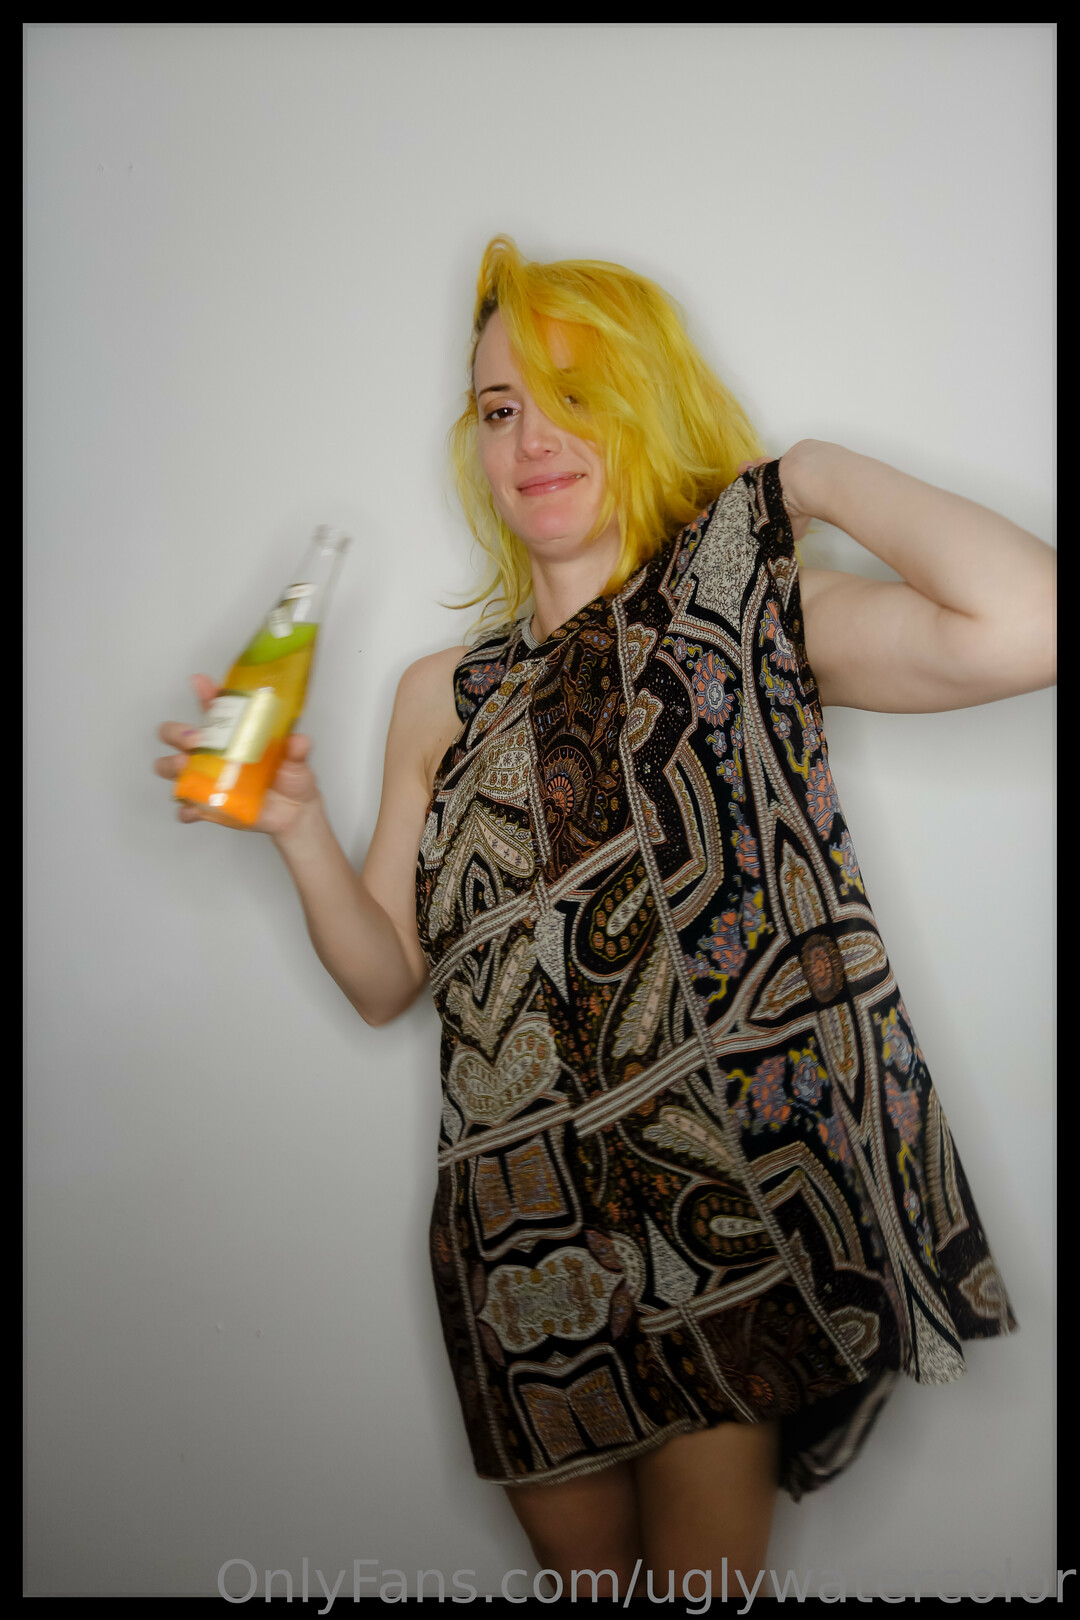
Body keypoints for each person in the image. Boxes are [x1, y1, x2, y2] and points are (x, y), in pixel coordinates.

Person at [155, 237, 1055, 1600]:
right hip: (516, 1231)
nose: (531, 439)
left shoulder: (741, 619)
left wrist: (807, 475)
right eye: (499, 407)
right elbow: (386, 980)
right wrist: (294, 830)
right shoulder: (437, 695)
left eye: (573, 395)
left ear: (645, 403)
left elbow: (1031, 620)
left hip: (710, 1209)